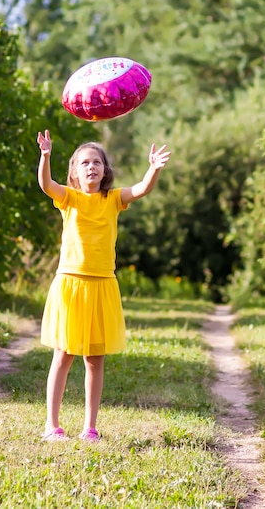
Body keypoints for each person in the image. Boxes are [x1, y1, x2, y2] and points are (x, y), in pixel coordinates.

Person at [36, 129, 171, 441]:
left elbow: (140, 190)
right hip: (70, 283)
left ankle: (90, 427)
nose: (91, 167)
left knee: (94, 361)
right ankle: (51, 425)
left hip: (102, 285)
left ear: (105, 170)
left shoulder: (113, 199)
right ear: (74, 171)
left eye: (96, 162)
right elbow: (46, 185)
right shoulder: (68, 198)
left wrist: (153, 169)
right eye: (84, 163)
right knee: (63, 354)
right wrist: (45, 156)